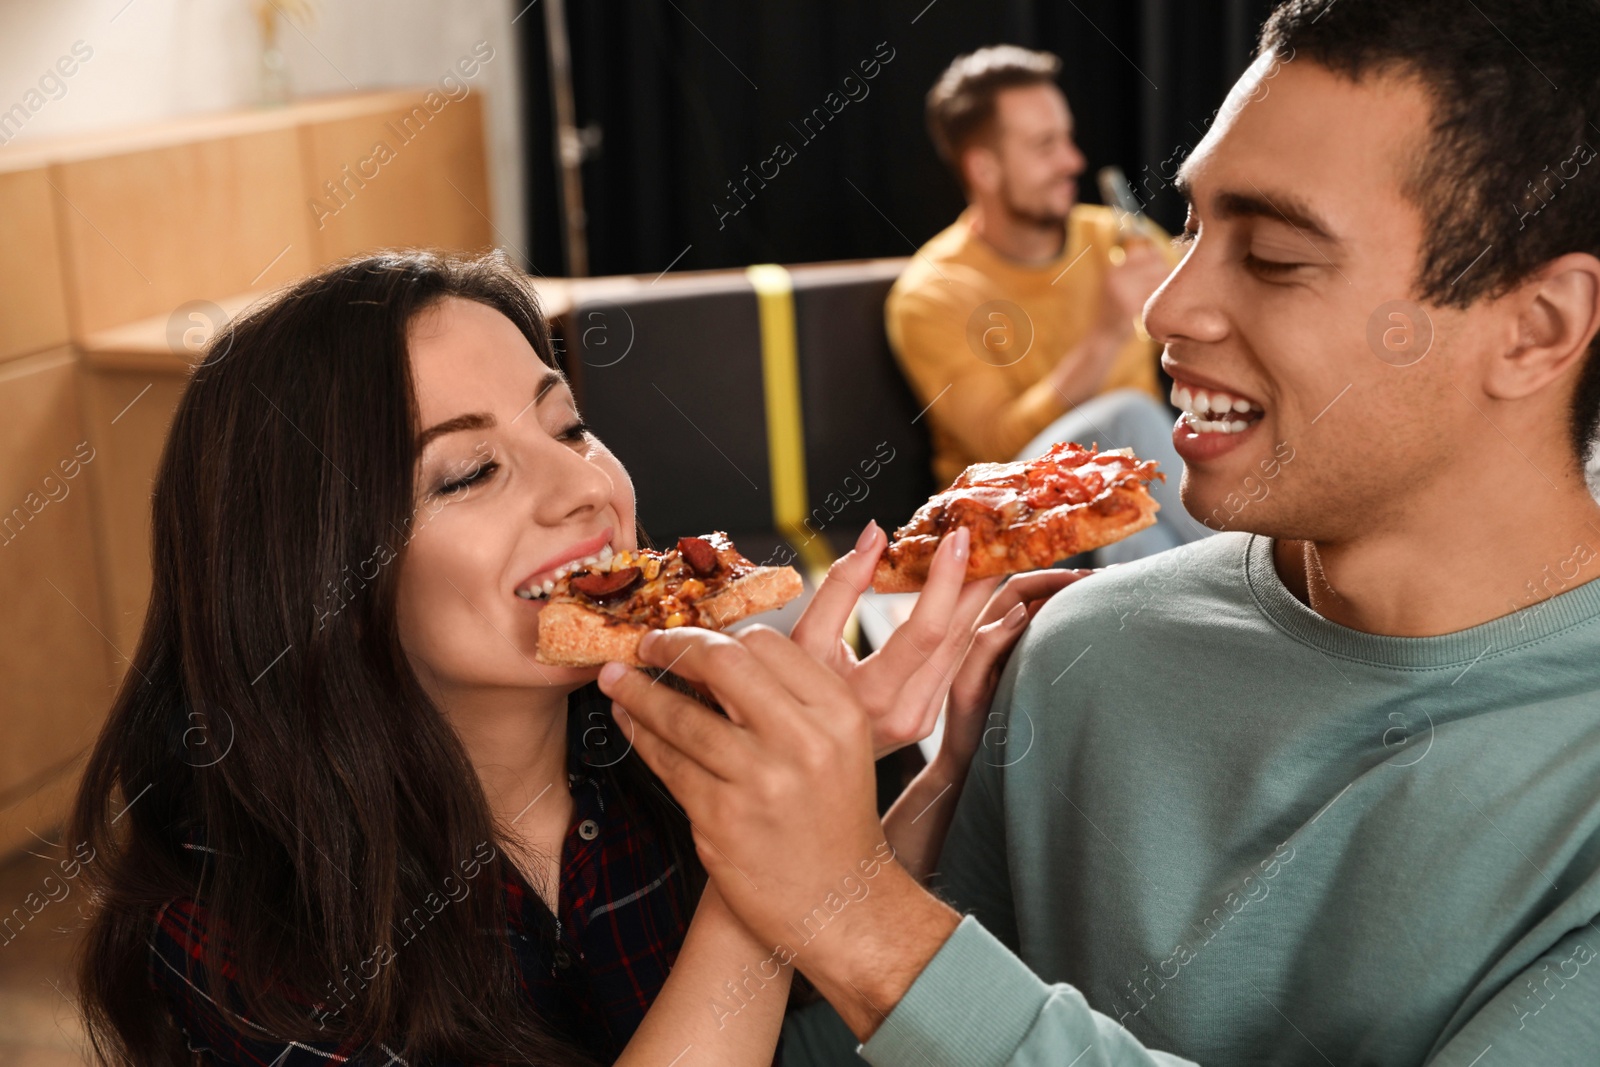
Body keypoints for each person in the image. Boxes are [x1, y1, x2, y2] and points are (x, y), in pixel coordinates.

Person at [599, 0, 1600, 1063]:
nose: (1164, 309)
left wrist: (856, 914)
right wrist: (837, 854)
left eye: (1268, 255)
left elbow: (896, 969)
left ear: (1534, 329)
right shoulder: (1076, 651)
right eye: (1195, 230)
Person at [66, 250, 1072, 1066]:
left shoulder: (667, 741)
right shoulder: (226, 925)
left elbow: (802, 997)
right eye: (468, 472)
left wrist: (929, 769)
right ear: (313, 572)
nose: (580, 488)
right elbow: (770, 924)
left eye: (570, 424)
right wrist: (761, 850)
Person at [889, 45, 1210, 561]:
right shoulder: (933, 292)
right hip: (1008, 522)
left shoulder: (1115, 238)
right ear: (984, 169)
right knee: (1126, 418)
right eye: (1045, 146)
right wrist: (1105, 334)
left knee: (1131, 526)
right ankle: (1260, 585)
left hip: (1114, 510)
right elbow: (998, 449)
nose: (1073, 161)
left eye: (1067, 138)